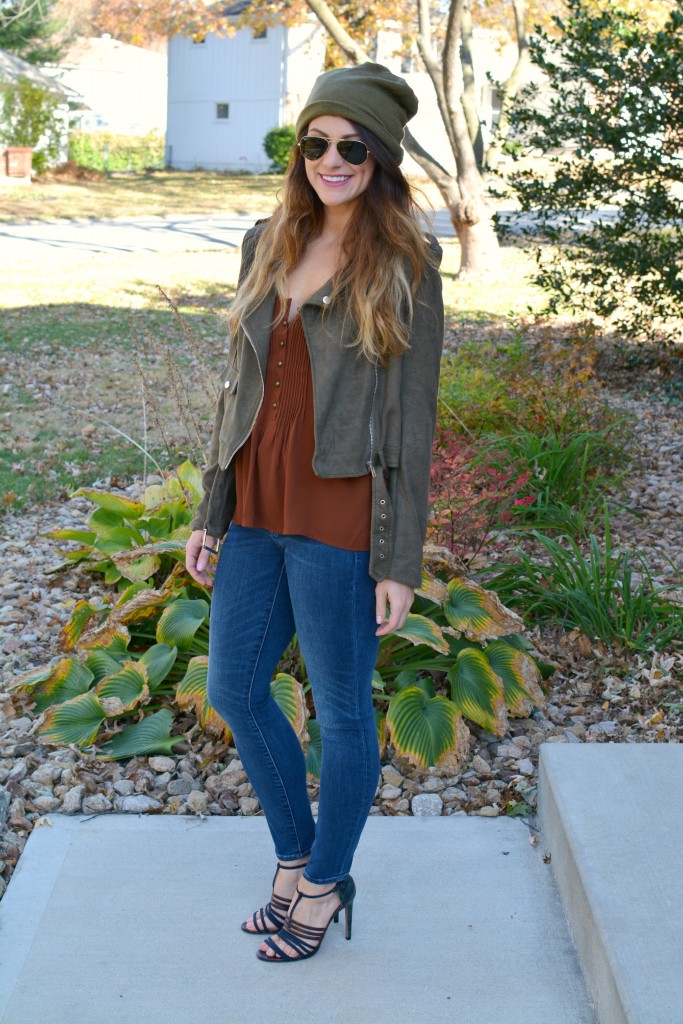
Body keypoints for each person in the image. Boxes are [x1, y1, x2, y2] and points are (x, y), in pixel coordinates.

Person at [185, 62, 444, 963]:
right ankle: (296, 858)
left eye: (352, 146)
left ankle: (323, 883)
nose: (332, 160)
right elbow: (235, 390)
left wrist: (398, 561)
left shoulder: (407, 261)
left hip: (338, 514)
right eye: (317, 143)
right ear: (300, 152)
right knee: (235, 687)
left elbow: (412, 420)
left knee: (338, 712)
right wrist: (209, 509)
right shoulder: (266, 239)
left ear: (378, 156)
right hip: (255, 504)